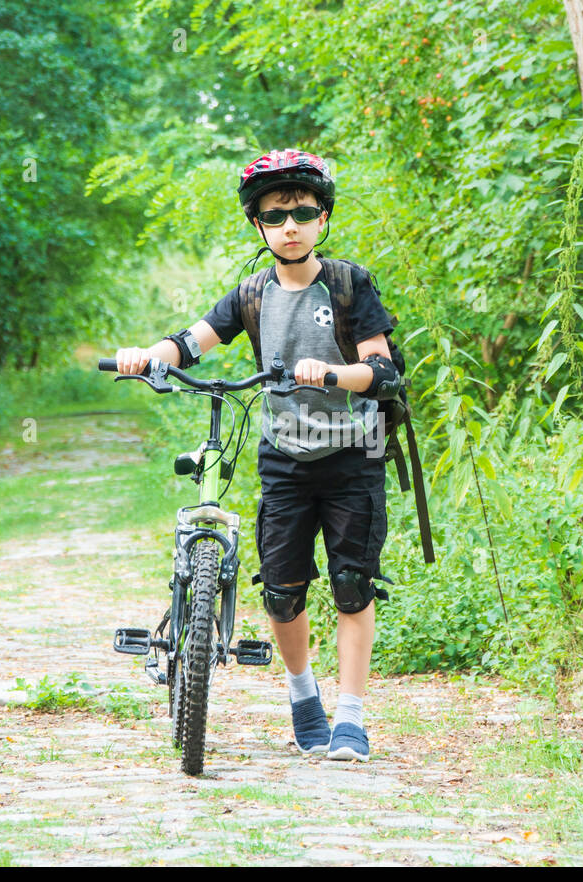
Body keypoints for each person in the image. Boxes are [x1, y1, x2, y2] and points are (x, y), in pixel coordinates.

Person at [113, 148, 401, 762]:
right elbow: (192, 341)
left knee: (352, 584)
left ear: (322, 218)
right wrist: (147, 356)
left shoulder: (350, 285)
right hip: (285, 457)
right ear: (258, 226)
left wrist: (333, 373)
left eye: (302, 212)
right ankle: (304, 699)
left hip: (353, 454)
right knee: (280, 589)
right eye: (276, 216)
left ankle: (350, 717)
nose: (290, 225)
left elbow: (381, 369)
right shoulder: (252, 293)